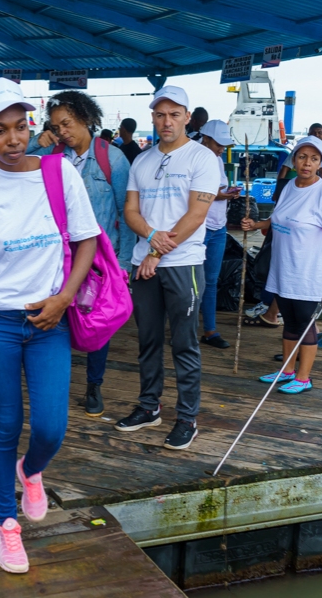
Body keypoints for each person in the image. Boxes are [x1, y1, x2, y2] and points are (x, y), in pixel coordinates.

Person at [0, 78, 99, 575]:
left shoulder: (59, 175)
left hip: (50, 320)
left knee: (51, 427)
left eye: (20, 126)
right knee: (4, 426)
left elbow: (88, 240)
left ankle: (31, 472)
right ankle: (6, 525)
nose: (12, 139)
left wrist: (64, 298)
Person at [116, 86, 219, 451]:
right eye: (160, 114)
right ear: (152, 117)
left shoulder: (203, 158)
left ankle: (187, 417)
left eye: (174, 114)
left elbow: (197, 213)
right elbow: (130, 210)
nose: (166, 121)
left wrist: (156, 252)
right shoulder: (142, 160)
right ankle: (149, 406)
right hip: (144, 262)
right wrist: (151, 237)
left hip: (182, 263)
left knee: (184, 343)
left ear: (187, 118)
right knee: (148, 340)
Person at [31, 88, 132, 417]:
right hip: (58, 257)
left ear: (86, 119)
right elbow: (13, 160)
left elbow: (125, 213)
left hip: (100, 260)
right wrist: (37, 141)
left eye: (68, 123)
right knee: (57, 319)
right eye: (57, 126)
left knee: (95, 322)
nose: (63, 131)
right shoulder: (51, 157)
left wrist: (125, 264)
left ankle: (94, 385)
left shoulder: (112, 159)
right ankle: (53, 384)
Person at [241, 136, 322, 394]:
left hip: (306, 272)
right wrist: (256, 225)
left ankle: (304, 377)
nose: (306, 163)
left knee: (304, 322)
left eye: (313, 159)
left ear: (321, 163)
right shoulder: (289, 186)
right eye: (302, 157)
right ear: (294, 159)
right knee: (287, 320)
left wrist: (315, 252)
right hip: (283, 267)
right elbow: (279, 219)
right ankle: (287, 369)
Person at [197, 120, 240, 349]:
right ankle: (184, 329)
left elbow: (216, 190)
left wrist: (227, 193)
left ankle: (210, 330)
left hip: (218, 227)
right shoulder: (193, 158)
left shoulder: (217, 159)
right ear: (206, 139)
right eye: (219, 143)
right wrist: (221, 195)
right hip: (198, 227)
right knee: (193, 282)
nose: (222, 148)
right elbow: (196, 192)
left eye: (225, 144)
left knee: (211, 281)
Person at [277, 123, 322, 187]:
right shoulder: (300, 150)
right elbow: (284, 168)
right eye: (302, 157)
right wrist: (279, 187)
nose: (316, 135)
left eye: (319, 133)